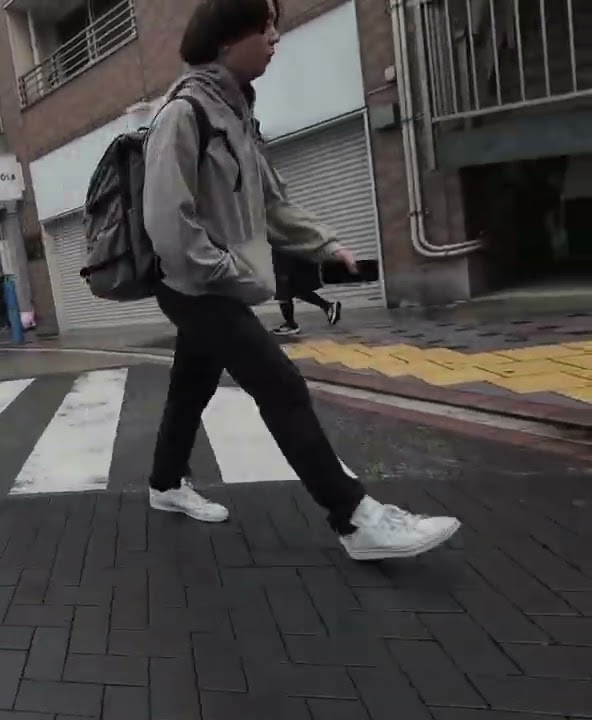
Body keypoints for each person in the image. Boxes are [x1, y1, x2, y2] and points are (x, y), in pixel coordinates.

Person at [141, 0, 460, 560]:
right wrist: (224, 272)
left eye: (276, 26)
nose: (274, 38)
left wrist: (325, 244)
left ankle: (165, 483)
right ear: (226, 38)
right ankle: (355, 519)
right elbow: (167, 220)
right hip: (193, 283)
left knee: (191, 384)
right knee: (280, 385)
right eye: (264, 27)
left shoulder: (238, 113)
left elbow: (272, 204)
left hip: (219, 280)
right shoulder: (182, 114)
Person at [272, 248, 342, 336]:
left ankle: (290, 325)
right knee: (295, 288)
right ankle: (328, 306)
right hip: (295, 254)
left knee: (283, 289)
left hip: (286, 254)